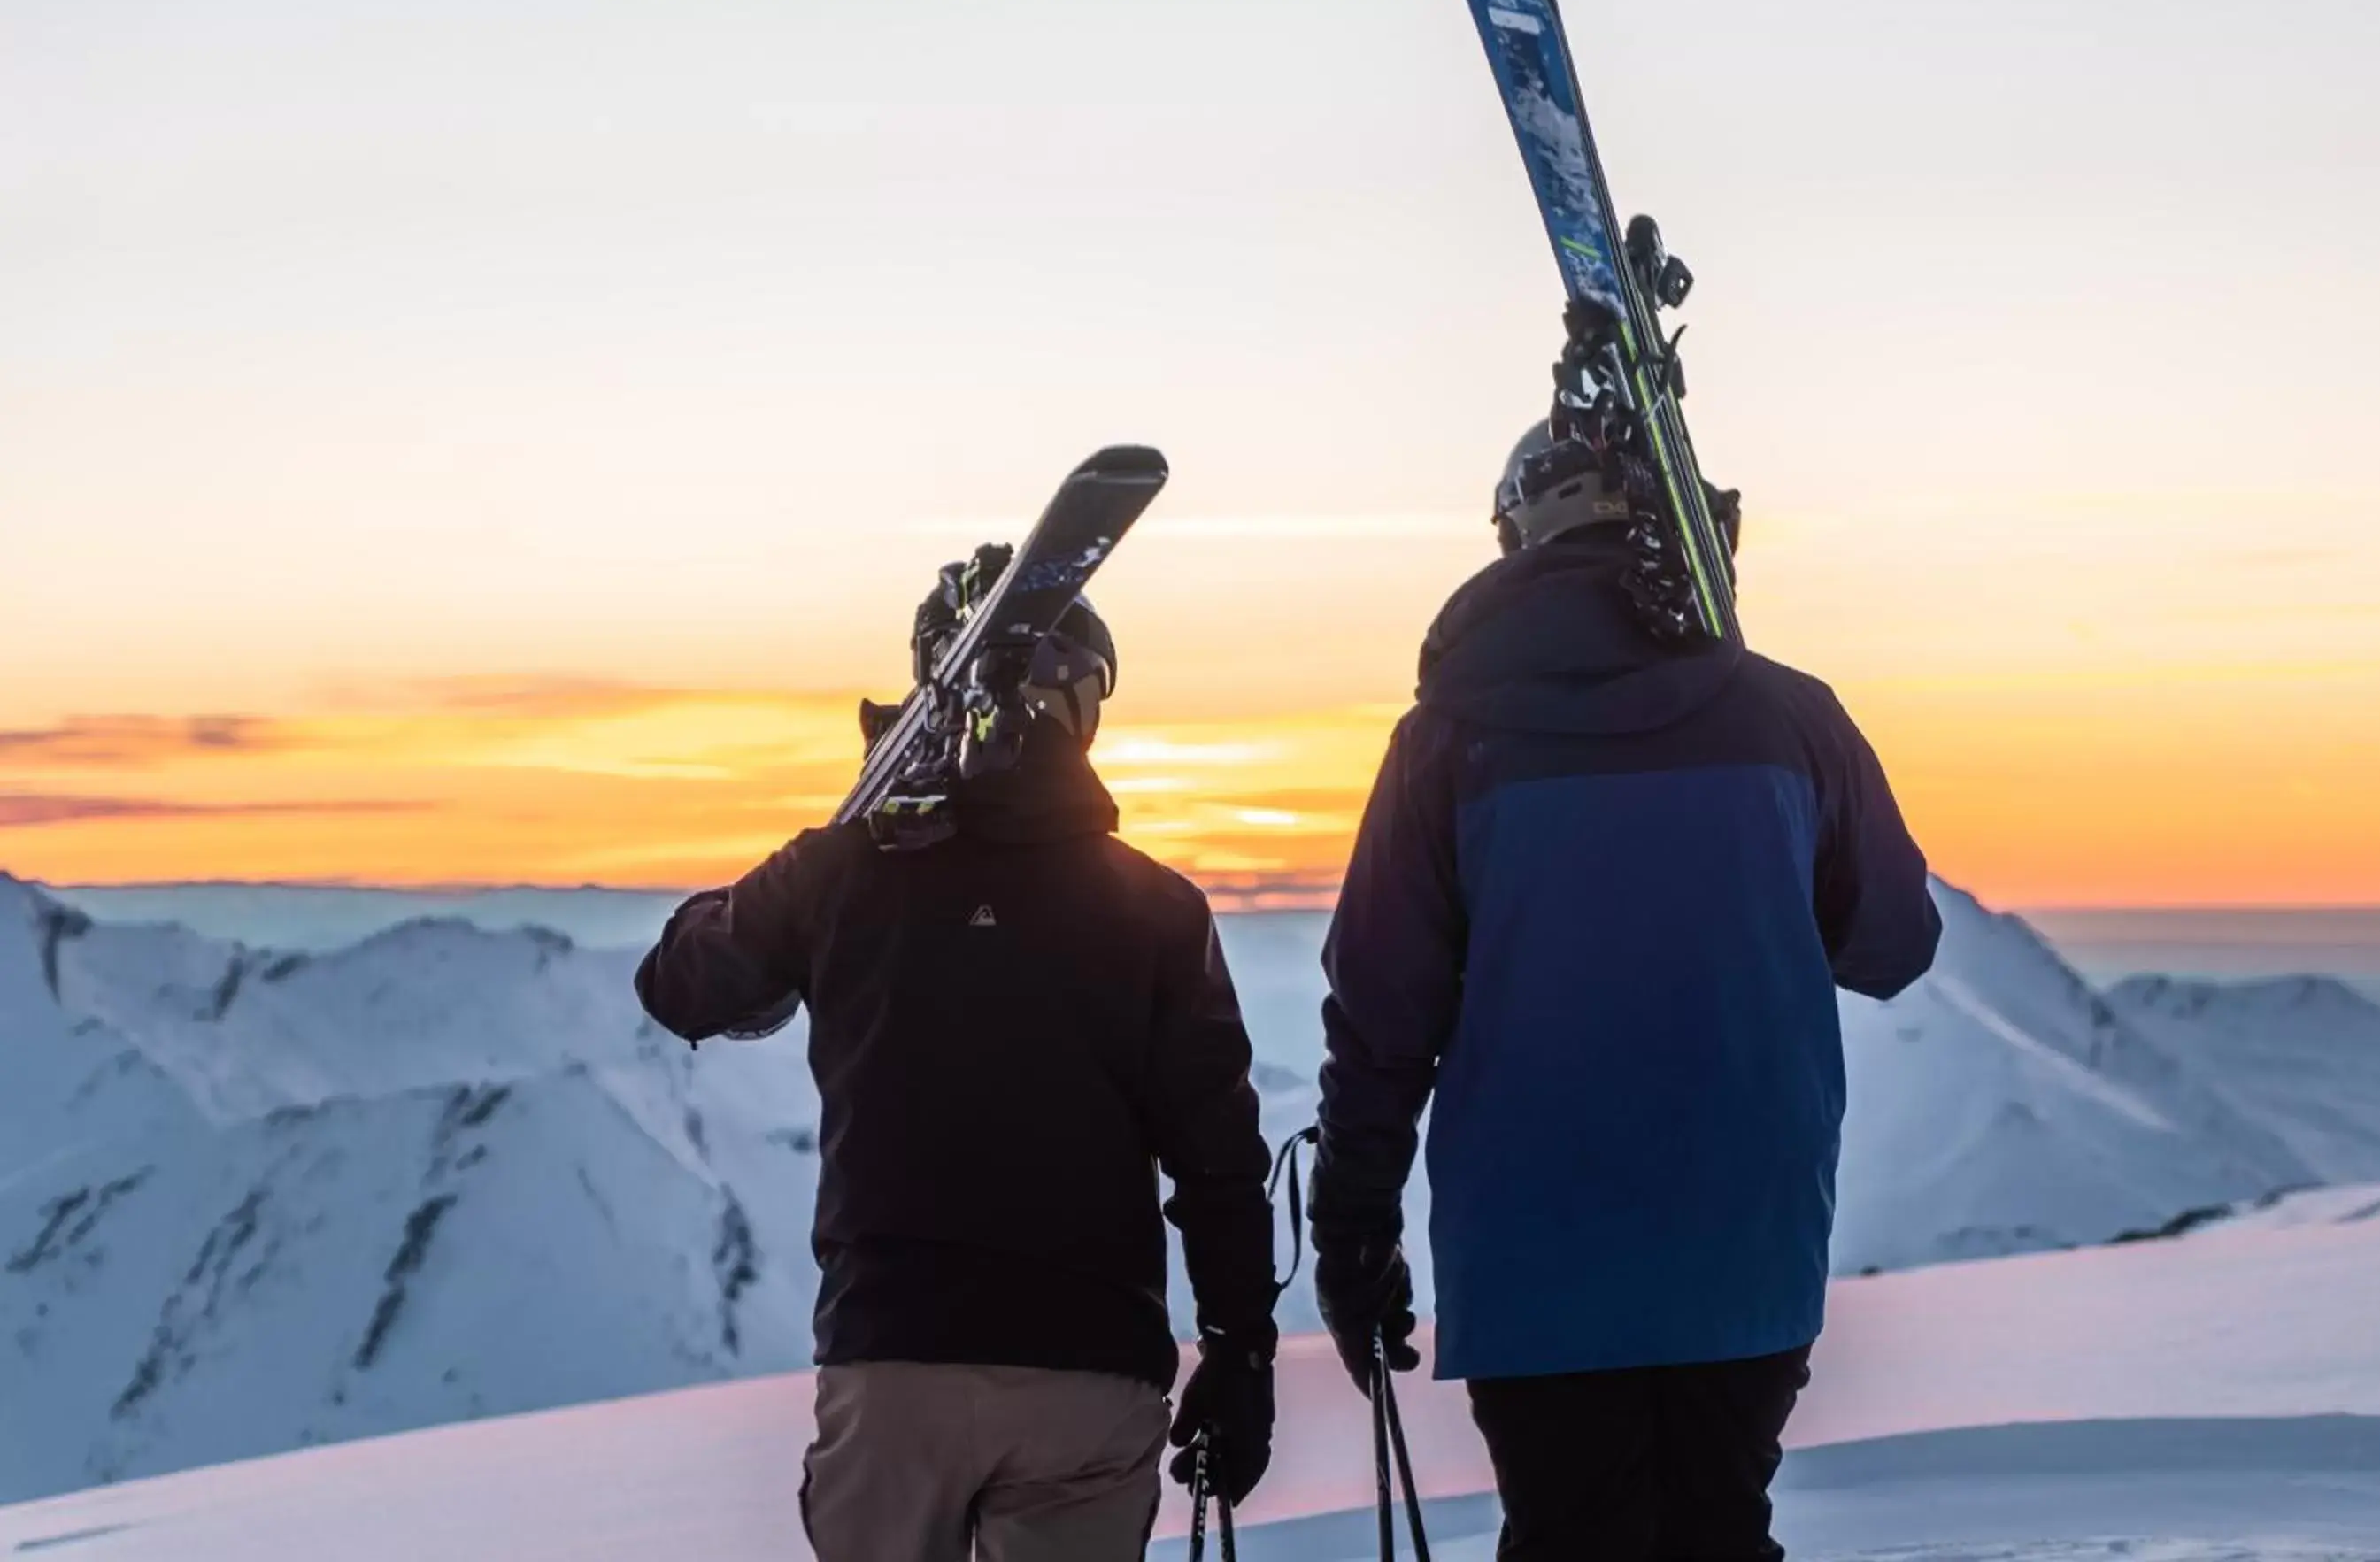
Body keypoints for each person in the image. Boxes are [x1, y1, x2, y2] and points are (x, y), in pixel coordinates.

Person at [1309, 419, 1943, 1561]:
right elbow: (1892, 943)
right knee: (1718, 1528)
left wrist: (1353, 1233)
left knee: (1564, 1532)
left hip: (1533, 1259)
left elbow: (1380, 1016)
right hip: (1744, 1245)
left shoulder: (1445, 743)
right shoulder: (1795, 718)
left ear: (1515, 540)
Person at [636, 589, 1278, 1562]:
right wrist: (1240, 1345)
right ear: (1080, 703)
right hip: (1091, 1367)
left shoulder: (837, 872)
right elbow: (1218, 1155)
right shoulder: (1156, 908)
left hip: (892, 1356)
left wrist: (832, 844)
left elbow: (679, 984)